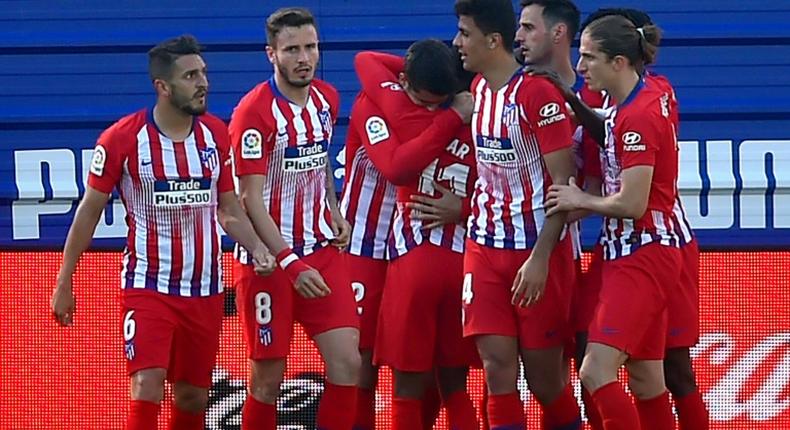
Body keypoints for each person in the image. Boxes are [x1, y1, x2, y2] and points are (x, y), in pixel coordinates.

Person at [50, 34, 277, 430]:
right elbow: (88, 212)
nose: (202, 82)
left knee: (193, 395)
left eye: (203, 73)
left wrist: (257, 246)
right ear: (163, 86)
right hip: (148, 285)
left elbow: (228, 209)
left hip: (204, 289)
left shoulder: (216, 135)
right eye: (191, 76)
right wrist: (65, 279)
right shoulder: (122, 139)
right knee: (147, 383)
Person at [545, 15, 683, 430]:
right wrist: (569, 98)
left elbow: (634, 203)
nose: (581, 66)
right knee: (645, 379)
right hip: (643, 250)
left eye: (589, 57)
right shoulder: (643, 95)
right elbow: (609, 127)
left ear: (619, 62)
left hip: (643, 253)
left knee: (594, 371)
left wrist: (578, 198)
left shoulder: (636, 118)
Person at [228, 7, 360, 430]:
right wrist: (288, 261)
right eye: (292, 50)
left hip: (321, 253)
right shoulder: (254, 113)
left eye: (311, 47)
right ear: (272, 54)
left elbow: (319, 160)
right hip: (270, 264)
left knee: (348, 365)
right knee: (267, 379)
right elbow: (249, 199)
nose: (304, 57)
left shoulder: (326, 98)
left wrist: (334, 209)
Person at [453, 1, 581, 429]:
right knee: (496, 370)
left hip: (537, 253)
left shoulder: (537, 95)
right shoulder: (478, 90)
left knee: (546, 382)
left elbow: (565, 185)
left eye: (465, 34)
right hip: (484, 248)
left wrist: (541, 258)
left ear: (493, 41)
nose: (457, 43)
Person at [350, 40, 480, 430]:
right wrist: (454, 114)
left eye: (437, 102)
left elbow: (365, 58)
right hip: (365, 246)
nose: (428, 107)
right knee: (360, 366)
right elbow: (393, 166)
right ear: (403, 80)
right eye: (423, 99)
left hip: (406, 252)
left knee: (420, 382)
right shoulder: (378, 105)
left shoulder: (407, 113)